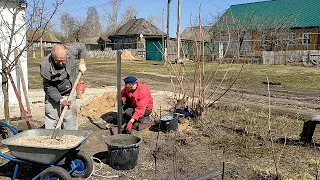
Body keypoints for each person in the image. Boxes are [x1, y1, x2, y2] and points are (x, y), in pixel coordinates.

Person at [40, 43, 87, 130]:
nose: (61, 63)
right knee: (52, 120)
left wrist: (82, 62)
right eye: (58, 61)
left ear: (67, 55)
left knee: (70, 120)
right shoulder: (45, 66)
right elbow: (48, 87)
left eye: (63, 60)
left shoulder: (71, 52)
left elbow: (82, 47)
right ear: (52, 57)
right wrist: (60, 100)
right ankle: (50, 140)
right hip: (53, 96)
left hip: (70, 92)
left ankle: (71, 139)